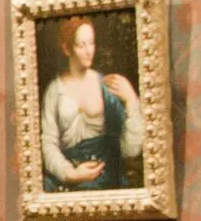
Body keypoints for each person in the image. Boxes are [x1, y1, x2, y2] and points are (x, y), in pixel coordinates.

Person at [39, 17, 144, 191]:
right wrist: (70, 174)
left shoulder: (108, 86)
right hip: (66, 181)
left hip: (107, 178)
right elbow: (48, 143)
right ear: (66, 48)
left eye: (92, 43)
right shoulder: (54, 91)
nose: (89, 51)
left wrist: (132, 101)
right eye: (81, 45)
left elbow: (130, 150)